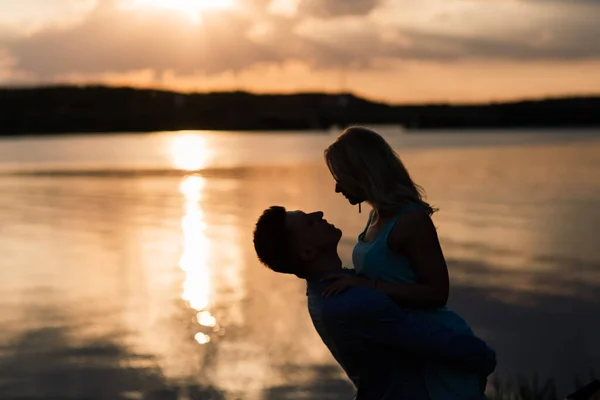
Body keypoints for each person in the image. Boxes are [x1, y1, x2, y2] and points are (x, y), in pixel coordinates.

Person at [253, 206, 496, 399]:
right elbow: (434, 341)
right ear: (306, 253)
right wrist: (484, 356)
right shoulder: (353, 301)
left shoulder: (323, 292)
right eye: (309, 222)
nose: (319, 214)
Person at [324, 126, 485, 399]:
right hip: (405, 345)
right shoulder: (376, 215)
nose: (337, 187)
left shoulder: (411, 222)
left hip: (434, 348)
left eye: (341, 178)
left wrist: (366, 285)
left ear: (363, 172)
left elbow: (437, 293)